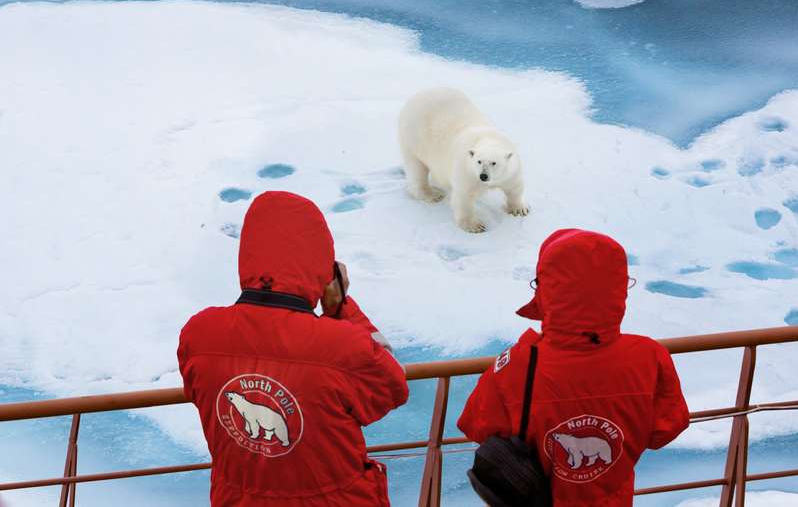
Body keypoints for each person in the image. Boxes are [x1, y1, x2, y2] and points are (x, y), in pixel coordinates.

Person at [178, 191, 408, 507]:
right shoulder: (342, 346)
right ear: (320, 265)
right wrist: (340, 307)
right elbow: (392, 386)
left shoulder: (199, 335)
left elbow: (196, 391)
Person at [458, 229, 689, 506]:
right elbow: (666, 428)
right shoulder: (650, 356)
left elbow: (477, 427)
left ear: (547, 289)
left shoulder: (515, 365)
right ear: (617, 288)